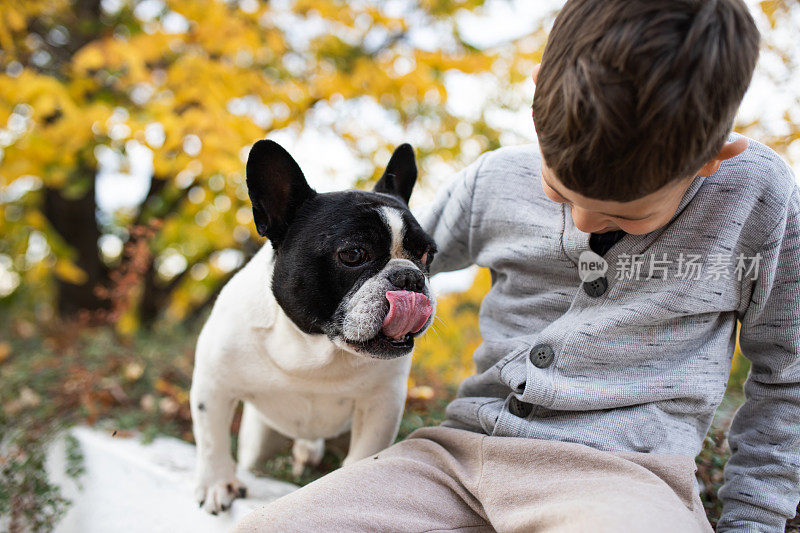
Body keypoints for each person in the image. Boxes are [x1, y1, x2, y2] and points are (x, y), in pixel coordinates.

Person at [236, 0, 800, 531]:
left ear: (711, 158)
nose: (582, 222)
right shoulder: (496, 181)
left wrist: (753, 518)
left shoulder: (756, 200)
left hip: (623, 479)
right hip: (454, 462)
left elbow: (788, 375)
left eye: (627, 216)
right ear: (536, 100)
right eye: (559, 191)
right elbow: (385, 256)